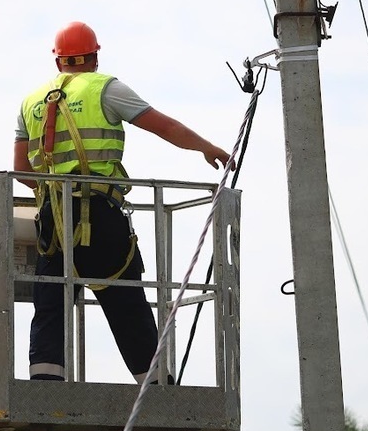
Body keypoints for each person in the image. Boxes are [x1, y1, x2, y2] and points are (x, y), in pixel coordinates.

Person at [14, 21, 232, 382]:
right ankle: (154, 384)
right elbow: (165, 127)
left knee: (50, 301)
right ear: (95, 57)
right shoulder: (106, 89)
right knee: (125, 299)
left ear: (57, 62)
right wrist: (206, 147)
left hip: (52, 217)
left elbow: (22, 170)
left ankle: (45, 383)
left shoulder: (30, 102)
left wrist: (54, 191)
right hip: (100, 213)